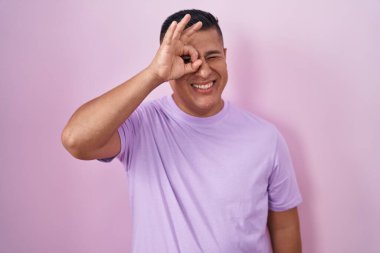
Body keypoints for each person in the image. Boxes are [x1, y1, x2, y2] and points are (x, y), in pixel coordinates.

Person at [62, 9, 302, 253]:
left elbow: (285, 227)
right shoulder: (141, 125)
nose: (204, 71)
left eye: (213, 57)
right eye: (188, 59)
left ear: (225, 56)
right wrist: (153, 75)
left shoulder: (265, 138)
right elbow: (76, 140)